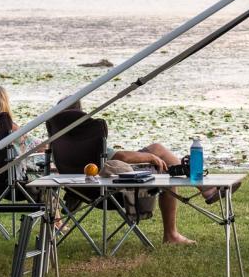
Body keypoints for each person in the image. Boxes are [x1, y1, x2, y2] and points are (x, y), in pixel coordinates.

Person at [61, 100, 220, 246]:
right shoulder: (86, 139)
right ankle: (173, 232)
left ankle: (206, 190)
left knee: (158, 151)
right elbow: (120, 157)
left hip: (82, 189)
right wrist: (150, 157)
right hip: (111, 189)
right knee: (163, 166)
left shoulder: (59, 142)